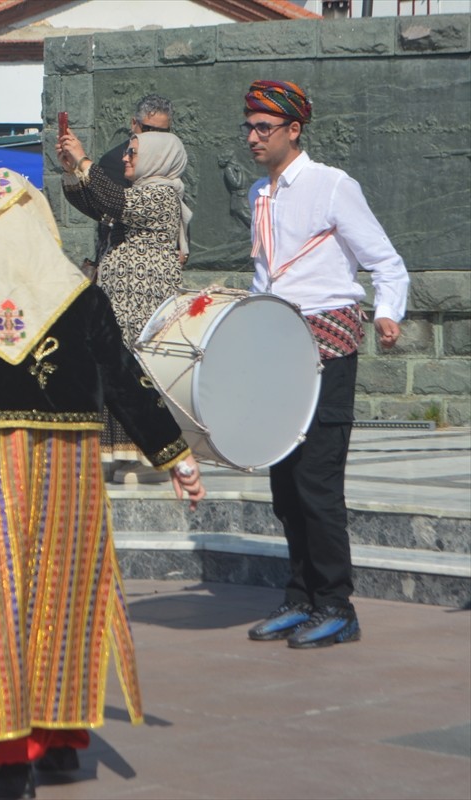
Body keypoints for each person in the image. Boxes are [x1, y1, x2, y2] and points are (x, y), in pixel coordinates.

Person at [0, 170, 205, 798]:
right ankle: (60, 739)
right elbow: (126, 378)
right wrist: (173, 454)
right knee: (65, 593)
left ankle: (6, 754)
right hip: (70, 465)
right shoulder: (78, 292)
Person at [240, 80, 409, 649]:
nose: (253, 137)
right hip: (277, 344)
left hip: (328, 343)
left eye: (264, 127)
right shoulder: (258, 196)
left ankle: (337, 604)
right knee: (284, 483)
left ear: (294, 130)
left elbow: (385, 261)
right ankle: (300, 597)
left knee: (317, 479)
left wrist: (387, 312)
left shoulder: (332, 185)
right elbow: (269, 275)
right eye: (249, 126)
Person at [57, 125, 193, 484]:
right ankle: (122, 454)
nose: (125, 158)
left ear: (156, 157)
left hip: (145, 300)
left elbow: (114, 202)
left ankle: (152, 457)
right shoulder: (138, 194)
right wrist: (73, 168)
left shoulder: (162, 195)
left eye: (133, 152)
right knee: (116, 371)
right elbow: (95, 204)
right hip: (122, 300)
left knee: (139, 374)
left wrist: (85, 159)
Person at [90, 94, 178, 267]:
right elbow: (114, 208)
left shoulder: (169, 158)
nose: (155, 137)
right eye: (149, 129)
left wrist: (181, 247)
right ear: (133, 124)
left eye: (162, 132)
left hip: (163, 259)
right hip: (125, 261)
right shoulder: (115, 161)